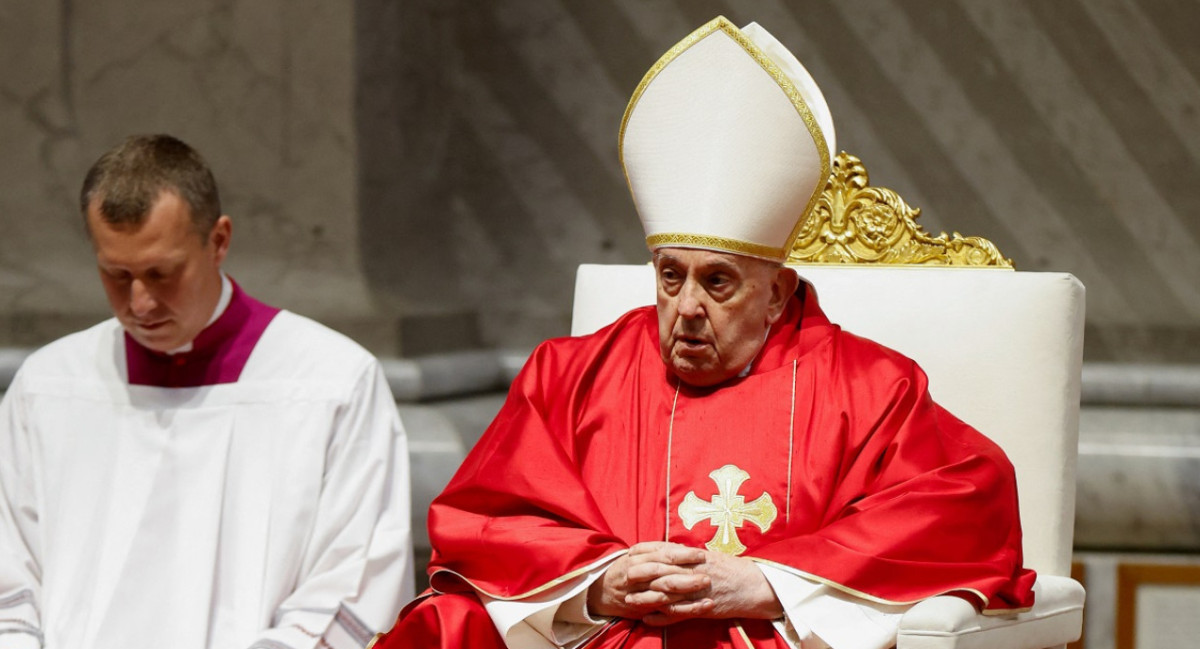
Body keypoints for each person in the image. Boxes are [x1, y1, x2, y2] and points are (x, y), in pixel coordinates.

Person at [373, 16, 1035, 649]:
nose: (687, 305)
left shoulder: (866, 388)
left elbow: (968, 499)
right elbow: (484, 524)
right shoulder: (572, 374)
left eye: (717, 282)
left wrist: (769, 580)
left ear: (776, 292)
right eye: (670, 276)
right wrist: (599, 582)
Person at [0, 134, 414, 648]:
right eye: (116, 274)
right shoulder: (49, 386)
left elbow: (356, 583)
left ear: (218, 241)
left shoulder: (332, 382)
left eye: (161, 273)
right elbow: (9, 583)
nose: (141, 303)